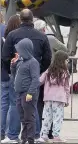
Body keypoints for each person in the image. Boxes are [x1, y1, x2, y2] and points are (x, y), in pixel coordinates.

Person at [2, 9, 52, 143]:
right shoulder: (41, 36)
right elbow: (48, 57)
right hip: (33, 76)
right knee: (32, 106)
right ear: (32, 19)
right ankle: (35, 135)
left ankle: (13, 135)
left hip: (18, 75)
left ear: (21, 20)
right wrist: (39, 70)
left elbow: (5, 56)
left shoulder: (12, 35)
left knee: (15, 104)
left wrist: (12, 71)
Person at [11, 38, 40, 144]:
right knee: (23, 118)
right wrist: (13, 65)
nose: (18, 52)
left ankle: (30, 139)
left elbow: (35, 79)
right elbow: (14, 75)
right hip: (19, 93)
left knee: (29, 118)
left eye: (20, 50)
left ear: (25, 49)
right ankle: (24, 138)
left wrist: (30, 93)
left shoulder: (33, 62)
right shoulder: (21, 61)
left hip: (27, 93)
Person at [39, 50, 70, 142]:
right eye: (66, 60)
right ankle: (56, 136)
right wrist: (67, 100)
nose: (67, 62)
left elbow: (40, 81)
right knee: (58, 117)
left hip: (48, 98)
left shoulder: (48, 71)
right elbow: (67, 87)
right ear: (62, 60)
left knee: (47, 116)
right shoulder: (65, 72)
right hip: (59, 99)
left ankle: (44, 135)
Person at [1, 15, 21, 142]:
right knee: (14, 104)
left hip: (2, 73)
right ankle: (11, 133)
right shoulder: (15, 37)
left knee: (3, 104)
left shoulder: (5, 34)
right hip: (13, 73)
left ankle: (1, 132)